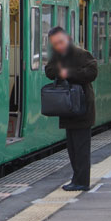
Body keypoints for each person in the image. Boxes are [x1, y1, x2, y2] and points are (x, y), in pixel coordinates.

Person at [44, 26, 99, 191]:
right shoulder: (58, 57)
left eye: (60, 42)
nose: (59, 46)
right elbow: (49, 71)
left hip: (82, 108)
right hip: (68, 109)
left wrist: (68, 73)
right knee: (73, 148)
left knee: (82, 148)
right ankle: (76, 178)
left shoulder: (82, 54)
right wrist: (60, 71)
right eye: (55, 44)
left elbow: (92, 72)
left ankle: (82, 181)